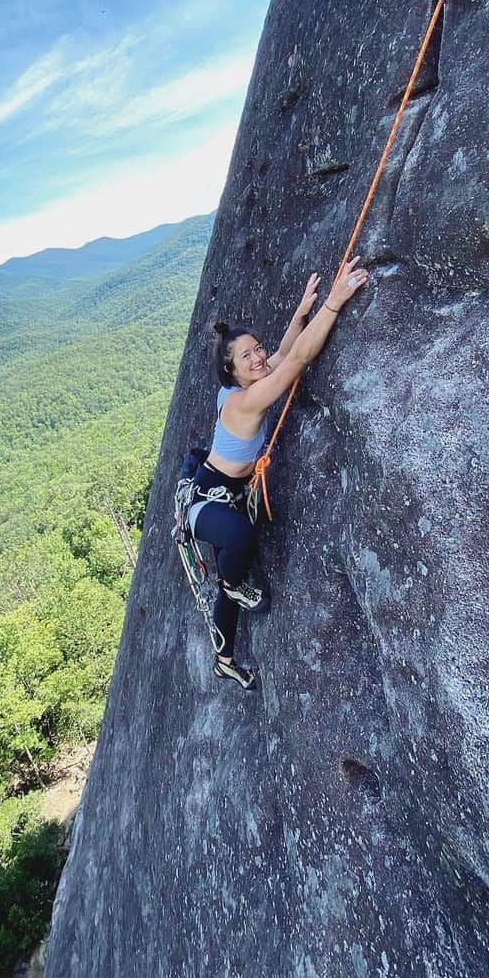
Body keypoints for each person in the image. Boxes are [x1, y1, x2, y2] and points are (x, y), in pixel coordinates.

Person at [190, 256, 370, 688]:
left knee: (232, 562)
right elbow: (294, 364)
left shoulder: (238, 387)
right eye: (245, 356)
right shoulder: (242, 402)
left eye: (257, 349)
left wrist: (301, 312)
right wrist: (335, 302)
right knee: (238, 541)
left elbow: (281, 355)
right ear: (230, 372)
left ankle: (225, 658)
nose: (257, 358)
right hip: (207, 499)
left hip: (226, 493)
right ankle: (232, 584)